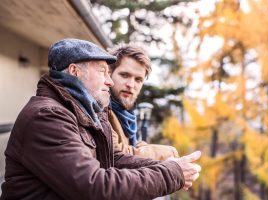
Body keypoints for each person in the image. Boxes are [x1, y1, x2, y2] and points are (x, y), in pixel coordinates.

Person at [0, 38, 201, 200]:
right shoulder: (47, 117)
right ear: (74, 72)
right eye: (103, 71)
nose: (110, 80)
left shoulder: (89, 112)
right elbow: (94, 187)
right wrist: (170, 174)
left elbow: (115, 159)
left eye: (138, 79)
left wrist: (169, 167)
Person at [108, 44, 179, 161]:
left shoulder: (127, 118)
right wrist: (171, 152)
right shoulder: (101, 110)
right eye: (124, 75)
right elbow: (118, 156)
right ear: (109, 73)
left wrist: (143, 147)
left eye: (138, 79)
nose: (131, 85)